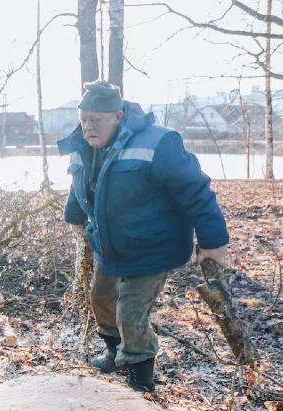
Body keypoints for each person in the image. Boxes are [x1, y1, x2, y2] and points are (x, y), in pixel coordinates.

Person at [58, 81, 230, 392]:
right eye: (84, 118)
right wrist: (74, 216)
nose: (88, 126)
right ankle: (114, 353)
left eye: (97, 118)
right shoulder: (83, 145)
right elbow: (79, 184)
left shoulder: (158, 143)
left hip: (154, 246)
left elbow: (197, 191)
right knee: (101, 300)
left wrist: (213, 242)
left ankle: (140, 375)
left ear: (119, 116)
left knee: (131, 310)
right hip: (110, 245)